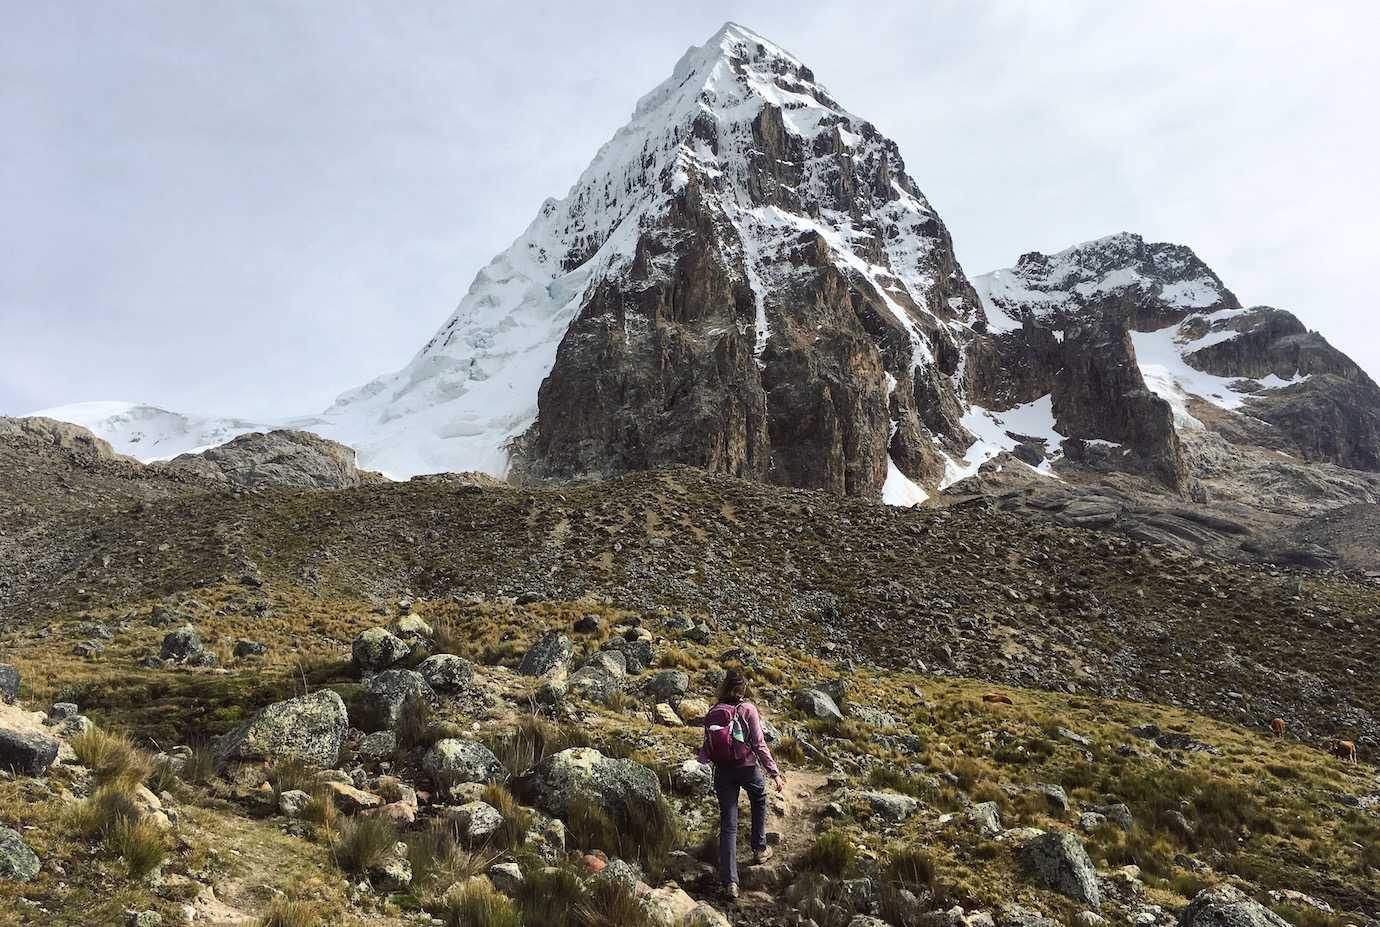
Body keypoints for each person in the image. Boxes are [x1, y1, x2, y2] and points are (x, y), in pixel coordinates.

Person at [697, 667, 785, 899]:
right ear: (742, 689)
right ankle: (759, 848)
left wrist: (704, 761)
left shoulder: (714, 710)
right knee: (759, 797)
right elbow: (758, 743)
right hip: (746, 768)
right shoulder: (748, 709)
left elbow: (706, 748)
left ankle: (730, 883)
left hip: (722, 772)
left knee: (729, 824)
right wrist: (774, 773)